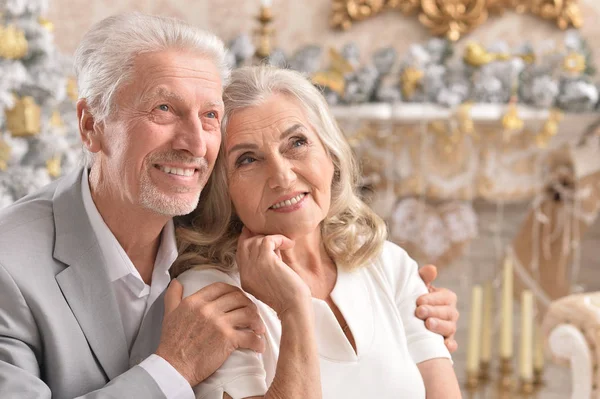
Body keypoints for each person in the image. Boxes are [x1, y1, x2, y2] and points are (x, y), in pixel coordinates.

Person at [0, 12, 457, 399]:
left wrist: (416, 313)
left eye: (210, 116)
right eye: (163, 109)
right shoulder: (11, 266)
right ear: (90, 124)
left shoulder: (204, 227)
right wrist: (171, 368)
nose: (195, 143)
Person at [173, 65, 462, 398]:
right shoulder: (210, 294)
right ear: (222, 190)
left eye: (297, 143)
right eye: (248, 160)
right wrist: (293, 308)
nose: (282, 176)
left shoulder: (388, 264)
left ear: (330, 154)